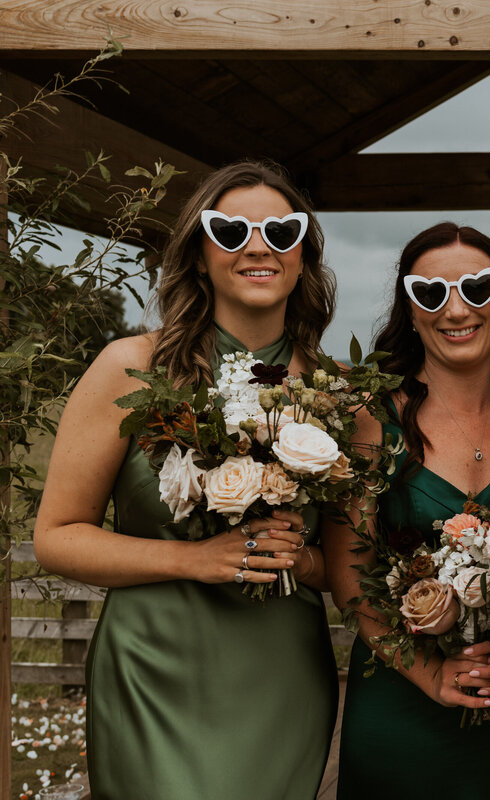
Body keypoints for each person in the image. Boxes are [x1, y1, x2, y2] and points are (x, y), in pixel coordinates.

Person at [34, 161, 339, 799]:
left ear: (302, 255)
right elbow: (57, 537)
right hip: (155, 668)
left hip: (280, 675)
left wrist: (302, 558)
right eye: (230, 230)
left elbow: (348, 564)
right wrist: (195, 558)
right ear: (199, 256)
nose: (258, 245)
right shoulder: (129, 369)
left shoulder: (337, 394)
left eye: (282, 231)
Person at [323, 222, 490, 798]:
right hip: (401, 701)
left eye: (475, 288)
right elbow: (349, 572)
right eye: (430, 293)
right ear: (410, 311)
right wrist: (430, 674)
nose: (454, 309)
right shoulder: (372, 416)